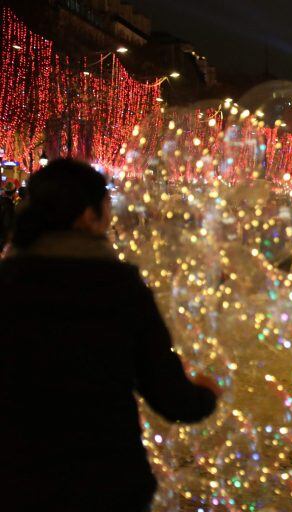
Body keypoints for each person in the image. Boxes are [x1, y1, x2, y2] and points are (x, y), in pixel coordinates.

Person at [0, 159, 220, 512]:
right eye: (106, 206)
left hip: (15, 483)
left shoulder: (7, 284)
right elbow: (167, 393)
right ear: (88, 216)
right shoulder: (120, 288)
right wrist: (205, 394)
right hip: (106, 484)